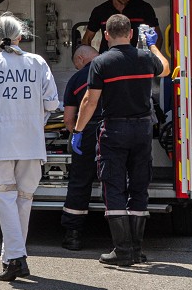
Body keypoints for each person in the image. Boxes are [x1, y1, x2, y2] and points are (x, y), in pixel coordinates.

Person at [72, 14, 171, 266]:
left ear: (106, 35)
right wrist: (152, 45)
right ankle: (136, 250)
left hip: (114, 130)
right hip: (142, 130)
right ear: (131, 34)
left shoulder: (101, 62)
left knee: (114, 186)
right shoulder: (146, 58)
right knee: (139, 186)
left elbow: (90, 101)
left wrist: (78, 130)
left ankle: (123, 250)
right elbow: (166, 68)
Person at [0, 13, 61, 282]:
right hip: (31, 143)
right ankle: (12, 260)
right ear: (20, 36)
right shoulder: (38, 62)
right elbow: (52, 103)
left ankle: (16, 257)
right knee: (23, 200)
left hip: (0, 144)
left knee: (5, 200)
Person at [60, 44, 100, 250]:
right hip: (115, 131)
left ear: (81, 59)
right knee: (117, 181)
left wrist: (76, 133)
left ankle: (73, 235)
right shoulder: (114, 69)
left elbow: (68, 118)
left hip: (87, 131)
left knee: (79, 182)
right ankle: (124, 239)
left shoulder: (77, 79)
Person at [81, 0, 160, 53]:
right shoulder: (100, 11)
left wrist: (152, 58)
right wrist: (91, 58)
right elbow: (87, 39)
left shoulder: (144, 8)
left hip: (136, 58)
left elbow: (158, 36)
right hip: (108, 58)